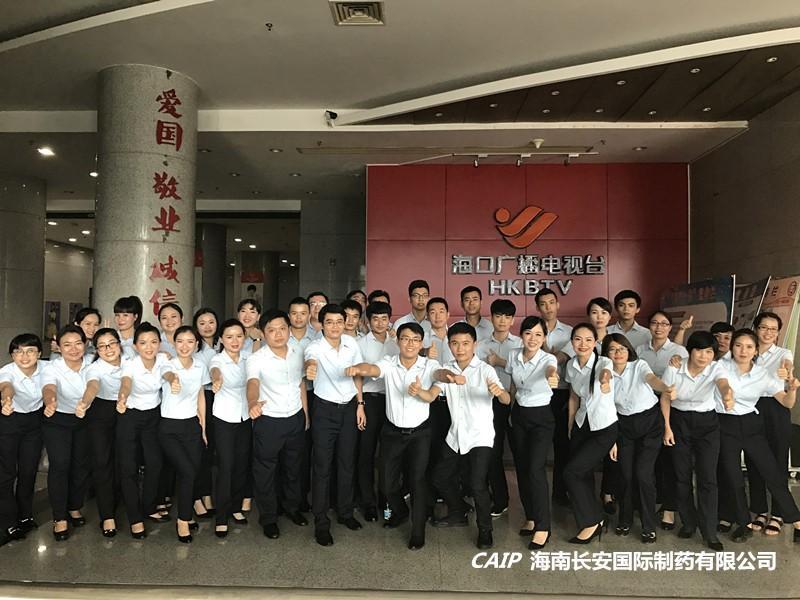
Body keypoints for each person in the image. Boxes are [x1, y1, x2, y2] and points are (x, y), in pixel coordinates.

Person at [346, 322, 441, 550]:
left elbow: (440, 374)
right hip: (392, 432)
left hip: (420, 434)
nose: (410, 344)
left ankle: (417, 531)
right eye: (405, 339)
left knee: (417, 482)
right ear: (397, 341)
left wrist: (450, 376)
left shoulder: (429, 365)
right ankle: (399, 511)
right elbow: (372, 370)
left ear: (421, 343)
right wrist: (357, 368)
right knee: (387, 484)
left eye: (415, 340)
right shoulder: (389, 362)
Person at [715, 328, 800, 544]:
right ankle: (744, 523)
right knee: (733, 476)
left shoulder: (763, 374)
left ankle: (796, 520)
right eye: (738, 345)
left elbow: (786, 402)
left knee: (772, 472)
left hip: (751, 425)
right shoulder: (721, 366)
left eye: (749, 347)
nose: (743, 351)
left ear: (755, 351)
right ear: (732, 348)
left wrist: (792, 389)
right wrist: (727, 395)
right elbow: (722, 384)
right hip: (725, 424)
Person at [432, 322, 509, 550]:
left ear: (475, 344)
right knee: (439, 477)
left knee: (477, 485)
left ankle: (485, 530)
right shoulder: (447, 369)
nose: (460, 348)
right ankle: (459, 510)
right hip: (455, 434)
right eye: (455, 343)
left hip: (480, 436)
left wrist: (500, 393)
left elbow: (506, 400)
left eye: (465, 343)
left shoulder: (485, 370)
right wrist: (440, 380)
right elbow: (437, 378)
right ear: (449, 345)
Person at [304, 304, 366, 546]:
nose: (335, 326)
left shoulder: (351, 344)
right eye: (329, 322)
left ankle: (345, 512)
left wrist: (360, 404)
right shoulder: (314, 347)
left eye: (339, 321)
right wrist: (310, 368)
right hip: (324, 411)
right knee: (322, 466)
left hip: (349, 408)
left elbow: (358, 374)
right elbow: (310, 361)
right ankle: (321, 522)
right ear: (321, 324)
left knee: (346, 463)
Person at [602, 333, 672, 543]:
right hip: (623, 426)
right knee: (625, 475)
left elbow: (651, 379)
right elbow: (606, 408)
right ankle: (625, 519)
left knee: (643, 474)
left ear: (628, 350)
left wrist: (665, 387)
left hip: (649, 424)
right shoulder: (604, 373)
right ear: (606, 353)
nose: (618, 353)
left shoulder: (639, 365)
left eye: (622, 348)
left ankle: (648, 525)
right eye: (613, 349)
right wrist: (612, 440)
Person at [248, 310, 310, 540]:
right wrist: (252, 403)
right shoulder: (256, 358)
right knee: (266, 471)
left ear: (289, 329)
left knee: (293, 468)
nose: (278, 334)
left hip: (294, 417)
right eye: (272, 330)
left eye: (282, 328)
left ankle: (292, 508)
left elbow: (300, 383)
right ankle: (269, 518)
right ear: (263, 334)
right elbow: (252, 384)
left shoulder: (297, 352)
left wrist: (305, 414)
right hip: (269, 421)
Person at [661, 331, 726, 551]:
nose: (703, 356)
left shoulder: (716, 368)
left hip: (707, 424)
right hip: (679, 421)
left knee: (708, 477)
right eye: (699, 350)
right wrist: (667, 428)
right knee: (682, 475)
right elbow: (665, 398)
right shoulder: (675, 366)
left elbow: (723, 383)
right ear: (690, 351)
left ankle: (709, 531)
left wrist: (727, 394)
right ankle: (688, 523)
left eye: (709, 352)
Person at [505, 317, 559, 549]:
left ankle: (543, 526)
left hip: (541, 419)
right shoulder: (513, 355)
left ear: (544, 337)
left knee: (536, 470)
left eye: (538, 334)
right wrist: (510, 409)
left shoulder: (548, 359)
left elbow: (551, 371)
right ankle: (531, 516)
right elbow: (513, 385)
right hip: (519, 415)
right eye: (528, 333)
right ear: (521, 335)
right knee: (522, 468)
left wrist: (552, 377)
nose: (533, 338)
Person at [563, 323, 616, 544]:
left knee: (571, 472)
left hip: (603, 427)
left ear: (595, 343)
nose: (582, 344)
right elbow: (574, 396)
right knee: (582, 474)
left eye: (588, 340)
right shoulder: (571, 365)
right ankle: (592, 517)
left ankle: (593, 521)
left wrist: (604, 382)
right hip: (581, 423)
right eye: (577, 339)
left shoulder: (604, 362)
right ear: (572, 342)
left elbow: (606, 375)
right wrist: (570, 424)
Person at [636, 309, 689, 531]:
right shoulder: (640, 350)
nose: (659, 327)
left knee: (669, 459)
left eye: (664, 324)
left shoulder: (679, 351)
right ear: (649, 326)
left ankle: (669, 509)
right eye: (655, 323)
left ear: (670, 327)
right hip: (645, 408)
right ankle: (650, 502)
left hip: (670, 408)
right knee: (649, 459)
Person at [117, 322, 168, 539]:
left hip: (153, 417)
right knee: (128, 467)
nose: (149, 347)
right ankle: (134, 517)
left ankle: (148, 506)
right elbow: (126, 383)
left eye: (154, 342)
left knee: (155, 463)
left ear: (159, 343)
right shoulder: (130, 364)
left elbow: (169, 372)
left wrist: (174, 379)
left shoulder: (163, 360)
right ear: (135, 346)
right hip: (129, 415)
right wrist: (122, 397)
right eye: (143, 343)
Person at [159, 325, 209, 543]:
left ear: (196, 345)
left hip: (192, 426)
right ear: (174, 343)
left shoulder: (200, 366)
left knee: (191, 473)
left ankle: (186, 514)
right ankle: (182, 520)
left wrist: (203, 427)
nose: (185, 346)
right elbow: (167, 375)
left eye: (190, 341)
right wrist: (174, 380)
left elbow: (200, 395)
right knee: (187, 471)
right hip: (169, 428)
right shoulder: (167, 364)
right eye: (180, 341)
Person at [745, 312, 794, 536]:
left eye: (773, 329)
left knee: (778, 460)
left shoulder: (783, 353)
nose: (768, 332)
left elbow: (788, 367)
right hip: (751, 406)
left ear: (778, 333)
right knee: (754, 460)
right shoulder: (747, 351)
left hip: (776, 407)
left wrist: (787, 373)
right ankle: (760, 510)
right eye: (764, 327)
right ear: (756, 328)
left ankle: (778, 513)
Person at [40, 324, 91, 541]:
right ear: (58, 347)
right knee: (60, 465)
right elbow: (48, 387)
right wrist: (50, 402)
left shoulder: (92, 363)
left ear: (85, 344)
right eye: (67, 345)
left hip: (84, 420)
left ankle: (74, 506)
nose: (73, 349)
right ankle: (59, 516)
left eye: (78, 343)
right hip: (57, 419)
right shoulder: (52, 367)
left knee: (80, 465)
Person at [75, 328, 126, 537]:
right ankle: (107, 515)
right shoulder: (94, 368)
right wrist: (84, 402)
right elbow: (92, 386)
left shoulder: (131, 362)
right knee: (102, 462)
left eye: (112, 343)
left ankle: (119, 501)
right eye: (102, 346)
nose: (108, 349)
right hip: (100, 413)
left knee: (123, 461)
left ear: (119, 344)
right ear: (96, 349)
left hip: (126, 410)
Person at [475, 299, 521, 518]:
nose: (502, 320)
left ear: (512, 320)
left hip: (517, 403)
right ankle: (500, 499)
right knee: (493, 453)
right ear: (491, 318)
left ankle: (529, 501)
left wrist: (500, 361)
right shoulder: (480, 346)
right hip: (489, 404)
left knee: (521, 453)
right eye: (498, 316)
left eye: (507, 316)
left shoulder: (521, 344)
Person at [355, 301, 398, 522]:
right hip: (370, 402)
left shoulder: (397, 343)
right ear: (368, 321)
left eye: (384, 318)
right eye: (375, 319)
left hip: (392, 402)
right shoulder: (360, 344)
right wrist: (360, 404)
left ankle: (387, 503)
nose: (380, 323)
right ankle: (368, 503)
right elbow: (357, 377)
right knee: (366, 453)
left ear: (389, 320)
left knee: (388, 457)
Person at [0, 334, 45, 545]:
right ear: (12, 355)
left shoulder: (46, 368)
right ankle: (8, 521)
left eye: (30, 351)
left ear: (39, 353)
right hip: (9, 419)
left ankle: (25, 515)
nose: (24, 356)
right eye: (18, 351)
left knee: (28, 471)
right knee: (7, 472)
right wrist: (6, 399)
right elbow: (6, 386)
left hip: (34, 423)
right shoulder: (6, 371)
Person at [209, 319, 250, 537]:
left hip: (245, 417)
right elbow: (215, 371)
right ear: (222, 340)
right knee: (226, 466)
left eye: (239, 336)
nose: (235, 341)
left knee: (242, 464)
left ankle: (236, 507)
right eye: (229, 337)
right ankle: (221, 516)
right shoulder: (217, 360)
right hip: (224, 418)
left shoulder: (249, 358)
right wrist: (217, 380)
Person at [534, 288, 572, 506]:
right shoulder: (532, 330)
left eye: (551, 302)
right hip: (537, 395)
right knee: (537, 447)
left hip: (561, 393)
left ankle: (560, 492)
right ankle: (537, 495)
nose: (548, 307)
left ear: (558, 304)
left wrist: (547, 353)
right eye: (543, 303)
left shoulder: (570, 332)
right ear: (537, 307)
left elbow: (560, 359)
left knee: (562, 445)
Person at [288, 296, 317, 512]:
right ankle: (286, 497)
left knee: (307, 449)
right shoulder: (280, 335)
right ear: (289, 315)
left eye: (303, 313)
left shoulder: (317, 338)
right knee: (289, 450)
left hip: (313, 396)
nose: (299, 318)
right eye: (294, 313)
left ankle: (302, 496)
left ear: (309, 315)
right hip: (287, 398)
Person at [192, 307, 219, 517]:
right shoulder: (193, 348)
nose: (207, 326)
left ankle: (207, 493)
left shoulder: (223, 344)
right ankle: (200, 495)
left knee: (213, 450)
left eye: (211, 322)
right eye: (202, 323)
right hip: (201, 398)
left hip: (222, 399)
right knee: (201, 448)